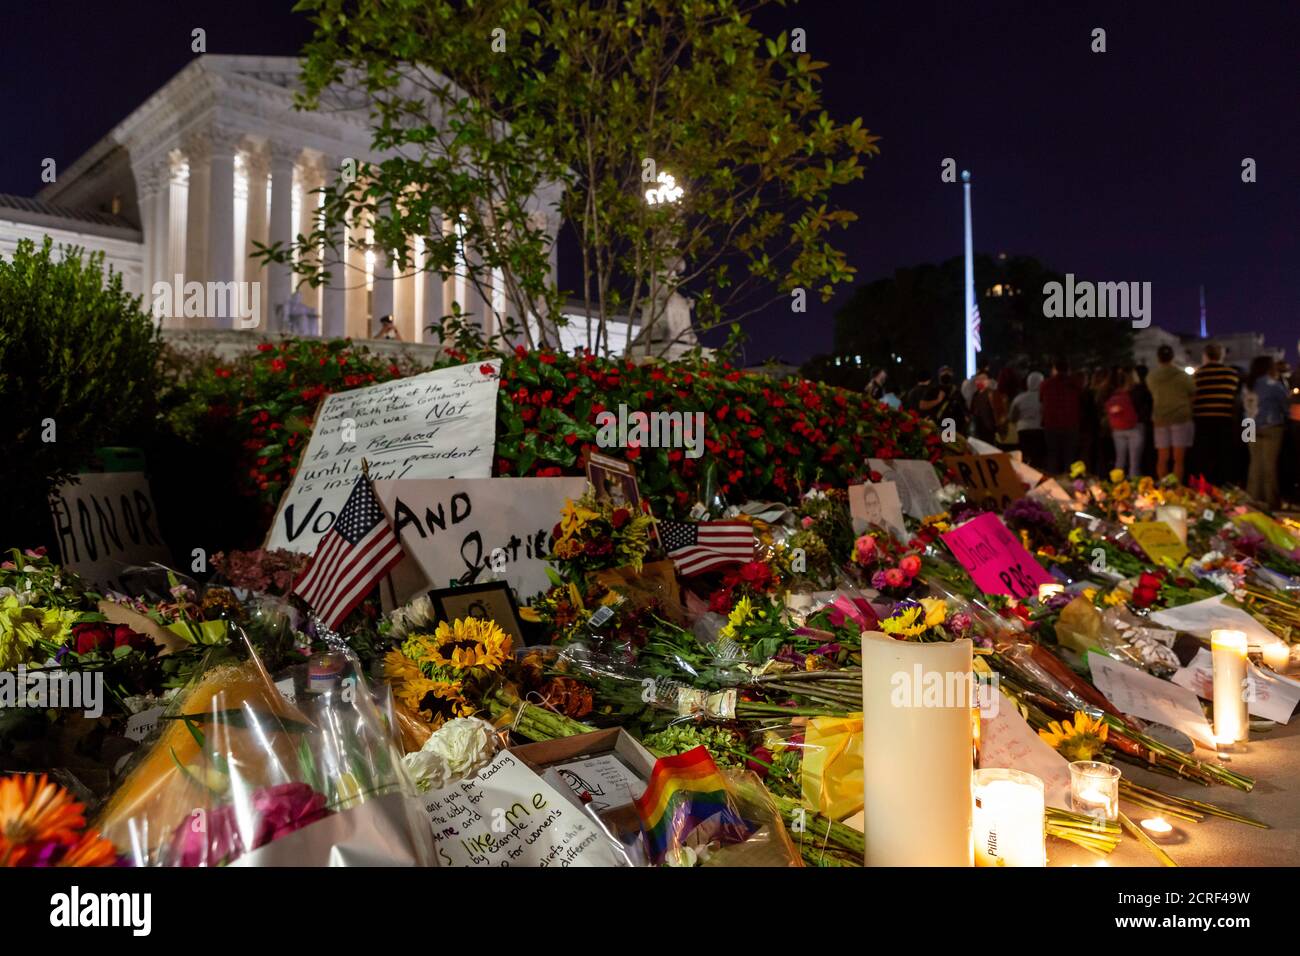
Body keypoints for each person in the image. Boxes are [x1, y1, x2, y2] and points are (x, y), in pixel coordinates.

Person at [1191, 343, 1241, 485]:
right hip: (1224, 420)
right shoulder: (1231, 374)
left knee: (1204, 458)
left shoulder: (1198, 375)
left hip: (1202, 421)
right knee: (1223, 456)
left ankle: (1205, 487)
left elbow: (1192, 398)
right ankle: (1223, 487)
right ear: (1222, 355)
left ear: (1205, 355)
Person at [1147, 344, 1195, 482]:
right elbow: (1192, 394)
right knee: (1178, 459)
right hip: (1181, 418)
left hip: (1160, 418)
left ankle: (1163, 487)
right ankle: (1176, 489)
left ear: (1158, 358)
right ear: (1172, 357)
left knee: (1162, 457)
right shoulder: (1182, 376)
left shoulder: (1152, 377)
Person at [1245, 355, 1288, 509]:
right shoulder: (1274, 385)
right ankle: (1271, 502)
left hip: (1249, 426)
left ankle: (1252, 499)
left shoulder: (1248, 385)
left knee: (1254, 464)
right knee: (1270, 465)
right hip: (1271, 426)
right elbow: (1285, 407)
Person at [1040, 357, 1082, 474]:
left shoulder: (1046, 384)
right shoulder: (1074, 384)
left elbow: (1041, 400)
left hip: (1051, 424)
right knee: (1070, 456)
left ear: (1055, 369)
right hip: (1071, 424)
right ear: (1068, 369)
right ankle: (1070, 482)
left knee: (1053, 455)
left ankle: (1053, 484)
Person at [1105, 368, 1143, 478]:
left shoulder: (1110, 394)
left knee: (1120, 460)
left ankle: (1116, 484)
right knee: (1134, 463)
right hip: (1133, 429)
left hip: (1117, 429)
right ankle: (1133, 486)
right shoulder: (1132, 394)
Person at [1010, 371, 1045, 468]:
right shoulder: (1044, 398)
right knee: (1039, 457)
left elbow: (1012, 416)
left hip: (1023, 430)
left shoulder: (1019, 398)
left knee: (1026, 457)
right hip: (1040, 430)